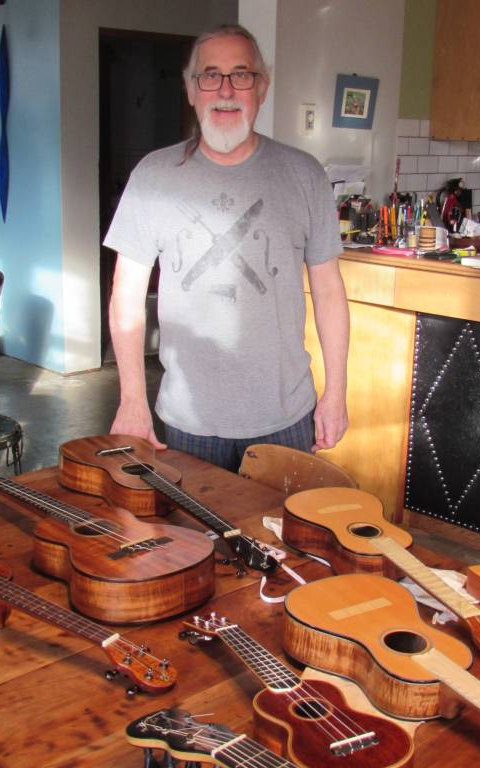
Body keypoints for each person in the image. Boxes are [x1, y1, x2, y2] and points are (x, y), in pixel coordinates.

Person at [104, 23, 349, 472]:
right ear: (190, 89)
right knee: (191, 523)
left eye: (241, 75)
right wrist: (132, 399)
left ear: (262, 88)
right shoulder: (153, 177)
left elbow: (330, 292)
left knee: (282, 522)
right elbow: (126, 297)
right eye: (210, 75)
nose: (225, 90)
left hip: (286, 417)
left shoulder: (304, 175)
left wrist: (336, 391)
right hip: (187, 420)